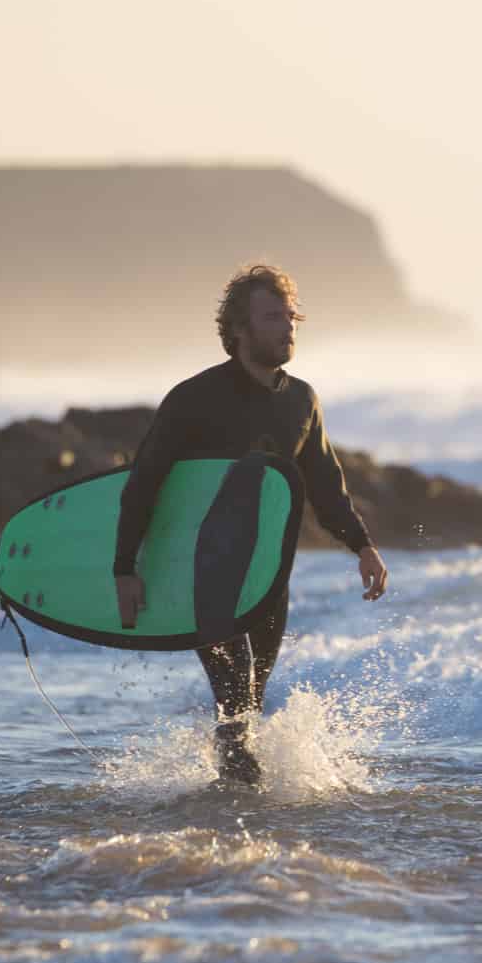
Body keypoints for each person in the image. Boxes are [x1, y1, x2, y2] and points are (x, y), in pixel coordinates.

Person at [112, 265, 388, 784]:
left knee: (252, 695)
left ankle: (231, 793)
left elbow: (325, 484)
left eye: (291, 317)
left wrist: (362, 546)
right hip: (201, 570)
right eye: (272, 317)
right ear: (239, 329)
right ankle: (240, 792)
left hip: (266, 573)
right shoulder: (194, 398)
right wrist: (125, 567)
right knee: (234, 688)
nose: (287, 328)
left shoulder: (301, 400)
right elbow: (146, 482)